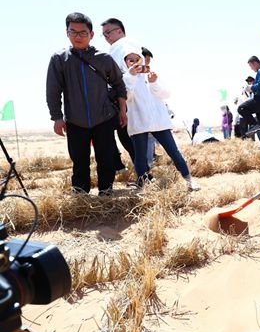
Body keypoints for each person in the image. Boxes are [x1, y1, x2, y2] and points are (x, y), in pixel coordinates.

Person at [46, 12, 127, 195]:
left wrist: (123, 111)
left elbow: (119, 85)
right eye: (72, 31)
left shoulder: (104, 58)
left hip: (104, 118)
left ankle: (106, 192)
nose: (78, 36)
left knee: (105, 159)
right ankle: (81, 196)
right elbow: (53, 91)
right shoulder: (59, 59)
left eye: (83, 32)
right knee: (79, 161)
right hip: (75, 121)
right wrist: (57, 118)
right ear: (66, 33)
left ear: (91, 34)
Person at [120, 44, 199, 191]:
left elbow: (165, 94)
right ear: (124, 62)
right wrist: (130, 76)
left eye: (136, 59)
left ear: (141, 60)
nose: (133, 62)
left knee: (174, 152)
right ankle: (142, 187)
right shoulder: (125, 77)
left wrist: (154, 83)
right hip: (139, 122)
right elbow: (126, 96)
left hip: (159, 122)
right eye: (129, 60)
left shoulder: (152, 75)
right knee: (140, 157)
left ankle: (189, 181)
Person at [100, 18, 136, 169]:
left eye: (108, 32)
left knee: (125, 136)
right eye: (103, 35)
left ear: (119, 31)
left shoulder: (119, 46)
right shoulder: (131, 45)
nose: (106, 37)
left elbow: (116, 76)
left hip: (123, 99)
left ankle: (143, 173)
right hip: (128, 98)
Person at [237, 56, 260, 149]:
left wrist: (250, 88)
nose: (251, 68)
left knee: (241, 108)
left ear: (255, 63)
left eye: (251, 66)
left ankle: (254, 124)